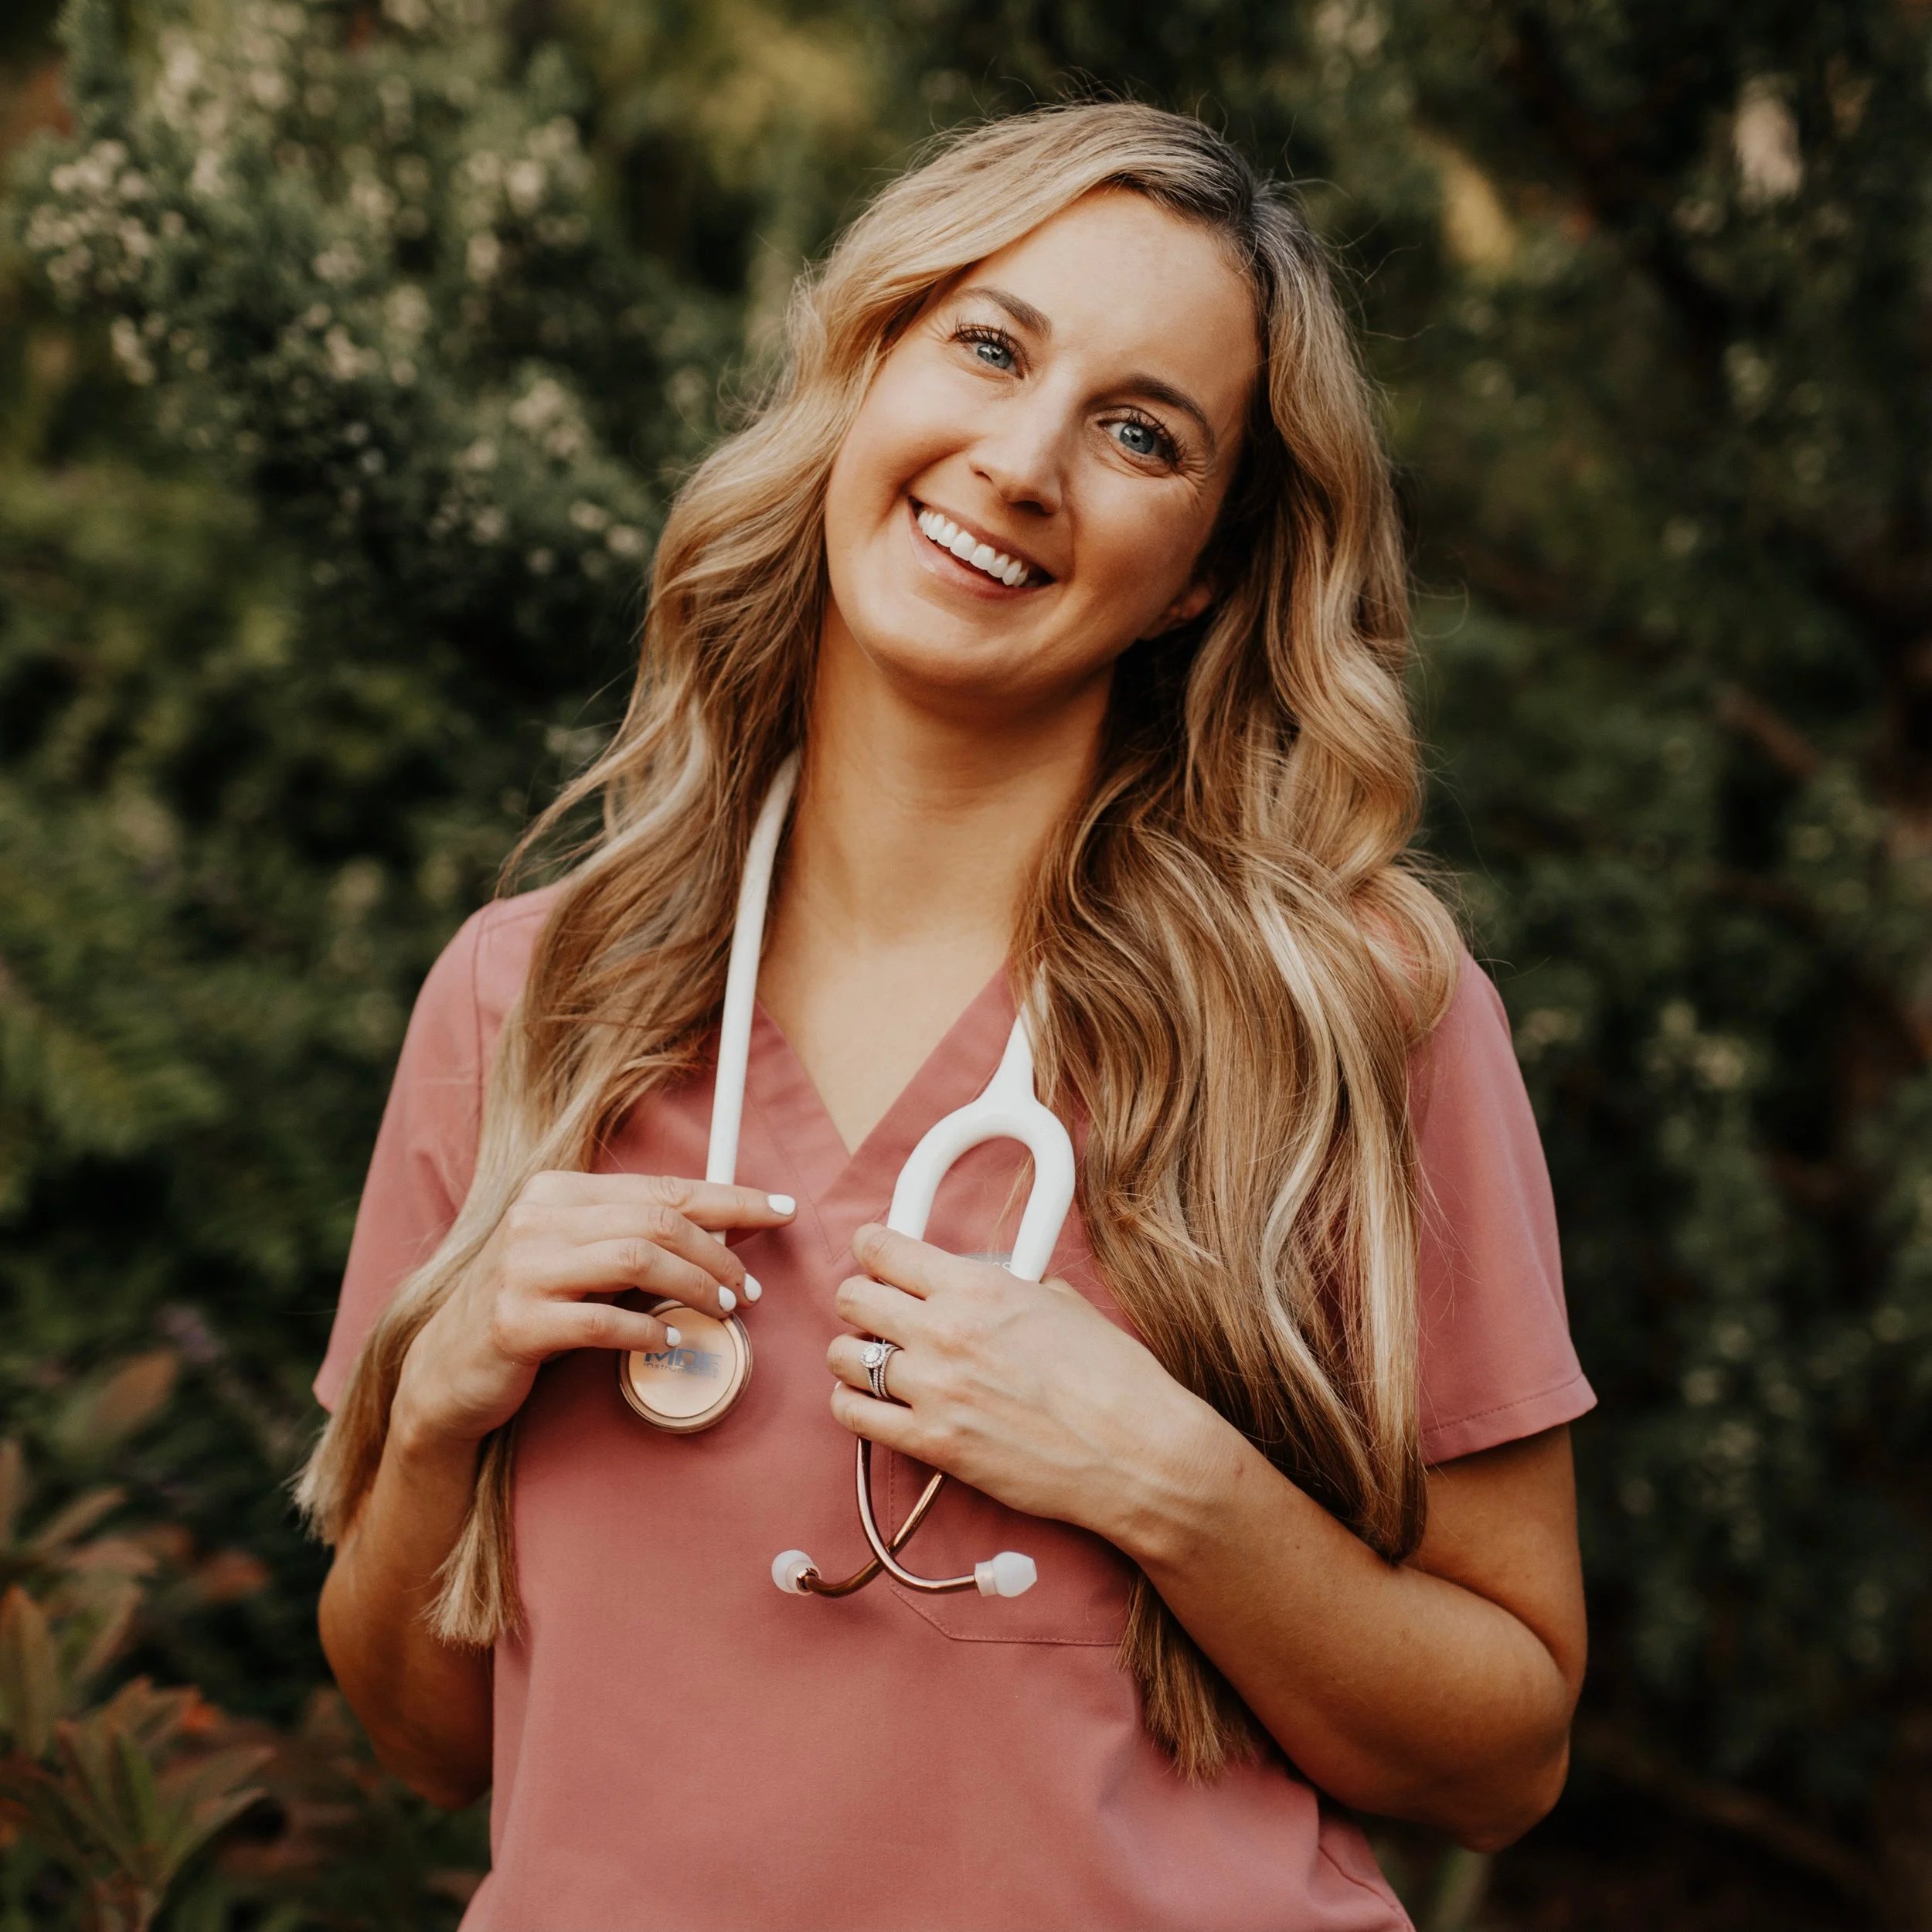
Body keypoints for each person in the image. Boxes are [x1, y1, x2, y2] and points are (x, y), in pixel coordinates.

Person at [301, 102, 1594, 1931]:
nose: (1020, 460)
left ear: (1209, 564)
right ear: (864, 365)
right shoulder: (534, 993)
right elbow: (426, 1732)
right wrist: (436, 1409)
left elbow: (1503, 1751)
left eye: (1139, 432)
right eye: (986, 345)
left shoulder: (1350, 1012)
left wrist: (1173, 1483)